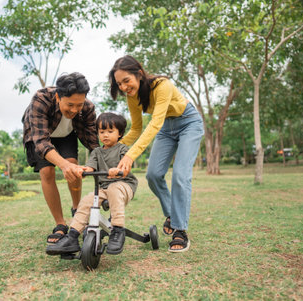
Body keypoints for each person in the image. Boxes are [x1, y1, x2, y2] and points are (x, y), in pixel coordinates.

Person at [108, 55, 204, 253]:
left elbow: (155, 123)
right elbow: (136, 129)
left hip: (188, 122)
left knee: (180, 175)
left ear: (139, 74)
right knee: (152, 175)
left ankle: (180, 230)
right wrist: (116, 147)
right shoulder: (131, 97)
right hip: (165, 129)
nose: (124, 87)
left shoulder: (162, 85)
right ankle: (171, 214)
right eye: (120, 84)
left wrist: (130, 156)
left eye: (127, 80)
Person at [22, 72, 99, 244]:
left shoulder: (87, 108)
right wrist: (62, 165)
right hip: (40, 134)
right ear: (58, 96)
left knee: (73, 165)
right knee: (47, 171)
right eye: (70, 105)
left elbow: (93, 143)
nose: (74, 110)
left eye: (78, 105)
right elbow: (41, 142)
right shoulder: (41, 99)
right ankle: (60, 224)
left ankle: (77, 211)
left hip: (66, 134)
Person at [46, 112, 138, 255]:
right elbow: (91, 167)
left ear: (119, 134)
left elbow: (126, 169)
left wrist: (118, 170)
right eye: (101, 132)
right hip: (104, 188)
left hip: (124, 185)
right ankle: (72, 236)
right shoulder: (96, 152)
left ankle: (118, 230)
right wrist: (83, 170)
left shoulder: (123, 149)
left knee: (114, 188)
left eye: (110, 131)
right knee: (87, 200)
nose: (105, 135)